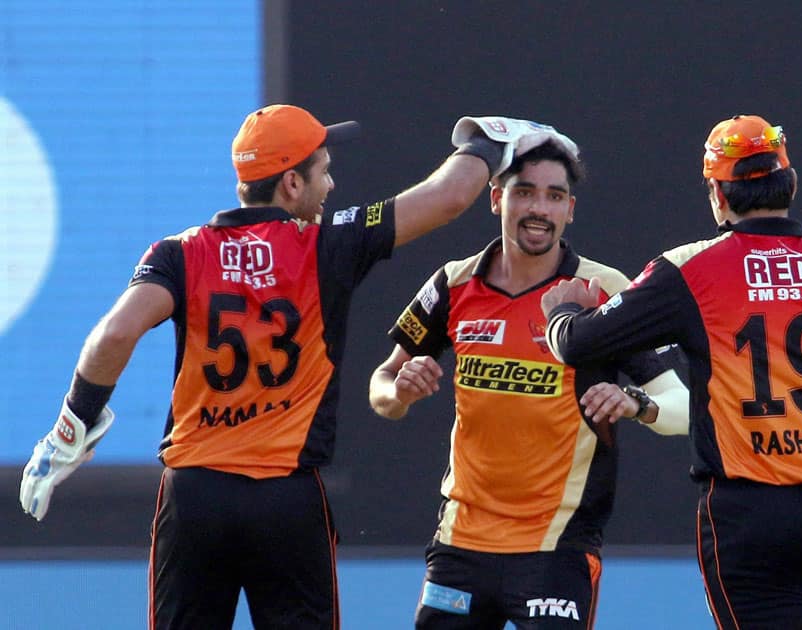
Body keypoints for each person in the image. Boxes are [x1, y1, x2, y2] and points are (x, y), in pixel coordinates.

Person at [18, 105, 566, 629]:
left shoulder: (179, 252)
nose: (331, 185)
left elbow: (114, 333)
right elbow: (447, 198)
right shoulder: (327, 244)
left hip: (194, 496)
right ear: (292, 185)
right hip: (285, 500)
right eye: (323, 172)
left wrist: (74, 425)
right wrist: (487, 141)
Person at [539, 114, 802, 629]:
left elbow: (579, 344)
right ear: (789, 183)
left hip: (748, 513)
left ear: (718, 196)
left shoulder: (689, 270)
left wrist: (562, 313)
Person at [368, 131, 690, 629]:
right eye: (524, 192)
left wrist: (635, 403)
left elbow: (682, 406)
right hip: (461, 543)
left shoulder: (601, 290)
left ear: (570, 209)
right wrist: (400, 391)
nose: (539, 208)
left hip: (556, 548)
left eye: (554, 196)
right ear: (496, 198)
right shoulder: (454, 283)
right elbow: (382, 385)